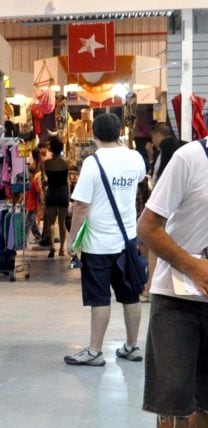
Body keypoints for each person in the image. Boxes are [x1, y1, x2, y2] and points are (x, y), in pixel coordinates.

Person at [137, 136, 208, 428]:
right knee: (175, 397)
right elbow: (147, 228)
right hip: (177, 298)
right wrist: (193, 266)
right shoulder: (189, 159)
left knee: (207, 399)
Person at [64, 113, 146, 367]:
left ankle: (94, 351)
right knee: (131, 295)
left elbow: (81, 206)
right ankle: (132, 346)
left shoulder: (93, 163)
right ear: (120, 131)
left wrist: (71, 241)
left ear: (94, 135)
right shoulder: (135, 158)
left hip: (98, 244)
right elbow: (140, 183)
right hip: (127, 241)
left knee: (99, 298)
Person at [141, 123, 186, 302]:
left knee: (152, 244)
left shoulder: (166, 149)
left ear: (158, 135)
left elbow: (158, 177)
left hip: (163, 207)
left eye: (153, 137)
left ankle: (150, 288)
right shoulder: (183, 147)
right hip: (179, 206)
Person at [39, 136, 70, 257]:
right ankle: (62, 248)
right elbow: (66, 181)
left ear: (51, 148)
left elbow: (45, 179)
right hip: (62, 194)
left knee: (51, 222)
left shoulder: (47, 163)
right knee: (62, 223)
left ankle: (52, 246)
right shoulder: (66, 162)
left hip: (51, 193)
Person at [24, 147, 44, 243]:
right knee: (31, 222)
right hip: (31, 204)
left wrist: (42, 200)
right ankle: (38, 236)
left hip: (33, 205)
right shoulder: (32, 180)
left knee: (28, 222)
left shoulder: (34, 181)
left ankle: (24, 239)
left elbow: (39, 191)